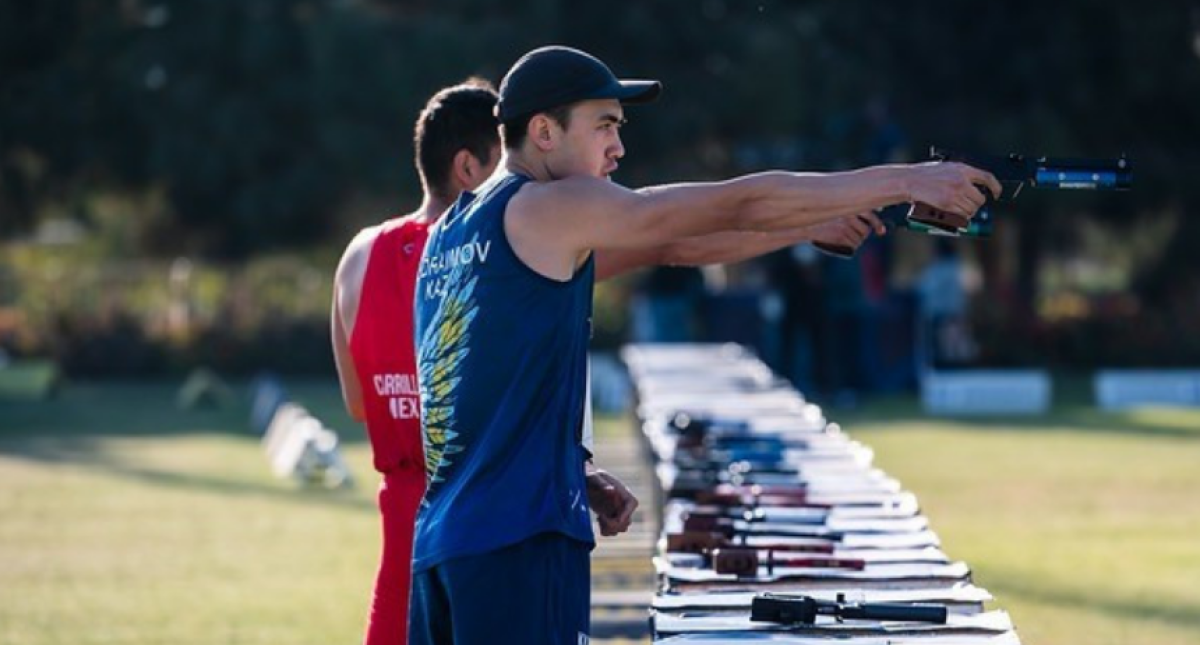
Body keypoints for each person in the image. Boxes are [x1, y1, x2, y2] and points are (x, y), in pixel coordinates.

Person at [411, 45, 1000, 644]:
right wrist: (907, 179)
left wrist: (570, 474)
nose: (618, 146)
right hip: (515, 543)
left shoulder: (457, 231)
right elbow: (734, 201)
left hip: (443, 544)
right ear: (542, 131)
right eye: (605, 126)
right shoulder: (547, 204)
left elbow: (670, 246)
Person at [333, 75, 881, 645]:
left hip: (423, 526)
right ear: (471, 167)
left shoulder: (381, 253)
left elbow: (359, 403)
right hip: (512, 523)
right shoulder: (529, 222)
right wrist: (851, 203)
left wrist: (560, 462)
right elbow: (671, 239)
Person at [331, 79, 501, 645]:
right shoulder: (499, 251)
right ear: (468, 168)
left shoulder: (358, 254)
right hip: (481, 541)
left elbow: (360, 404)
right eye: (507, 167)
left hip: (402, 557)